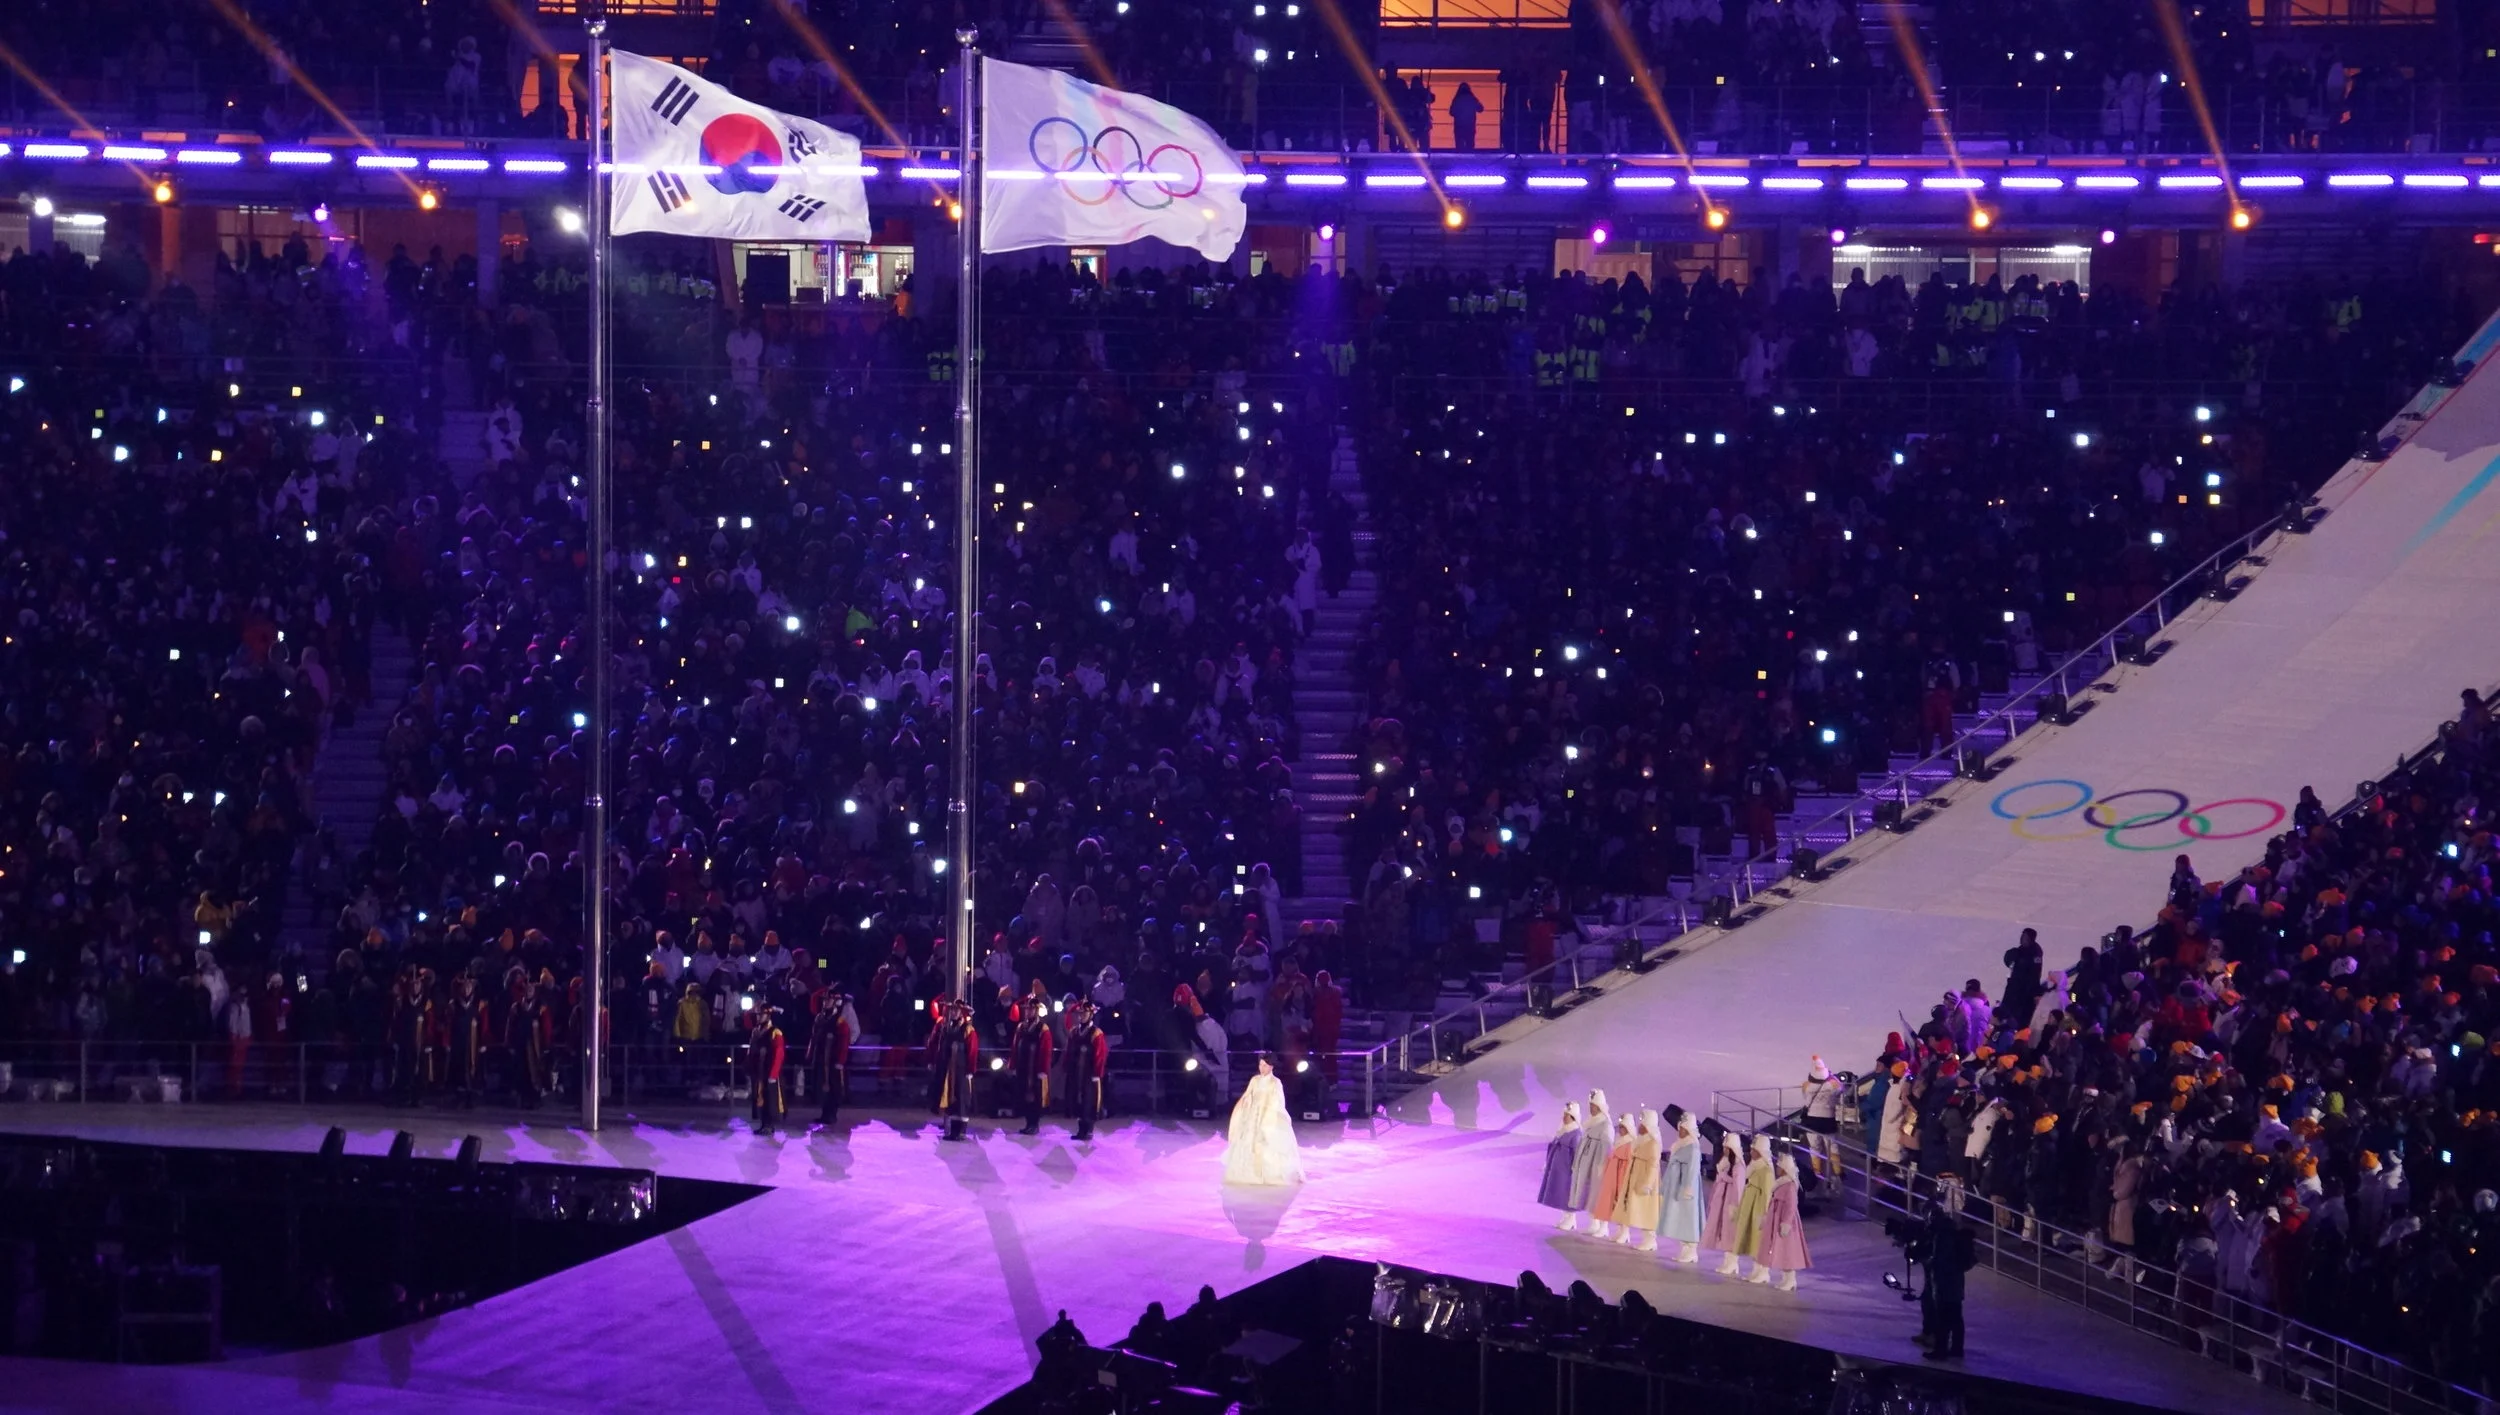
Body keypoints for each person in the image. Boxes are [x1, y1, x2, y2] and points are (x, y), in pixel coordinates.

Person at [1221, 1055, 1303, 1186]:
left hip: (1268, 1114)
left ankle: (1269, 1173)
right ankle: (1250, 1172)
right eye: (1260, 1065)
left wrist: (1268, 1113)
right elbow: (1247, 1095)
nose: (1261, 1068)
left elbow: (1278, 1101)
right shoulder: (1255, 1080)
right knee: (1249, 1142)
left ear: (1271, 1066)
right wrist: (1245, 1104)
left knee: (1267, 1141)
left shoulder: (1275, 1082)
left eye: (1264, 1065)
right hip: (1253, 1114)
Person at [1910, 1197, 1976, 1359]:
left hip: (1944, 1282)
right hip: (1955, 1282)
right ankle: (1956, 1349)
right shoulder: (1951, 1232)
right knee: (1955, 1317)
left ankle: (1941, 1350)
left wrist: (1924, 1259)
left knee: (1943, 1318)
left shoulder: (1942, 1235)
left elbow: (1939, 1259)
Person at [930, 997, 979, 1141]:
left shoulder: (968, 1029)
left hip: (962, 1070)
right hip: (949, 1069)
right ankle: (953, 1130)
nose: (953, 1012)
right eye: (951, 1010)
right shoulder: (946, 1027)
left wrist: (971, 1070)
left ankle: (961, 1131)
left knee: (961, 1098)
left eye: (956, 1010)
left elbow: (972, 1051)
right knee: (951, 1098)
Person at [805, 983, 855, 1127]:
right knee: (821, 1086)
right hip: (821, 1058)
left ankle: (831, 1114)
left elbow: (844, 1043)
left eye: (828, 1000)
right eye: (824, 1000)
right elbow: (814, 1037)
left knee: (834, 1088)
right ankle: (824, 1113)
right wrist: (810, 1053)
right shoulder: (820, 1018)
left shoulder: (840, 1022)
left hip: (833, 1061)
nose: (825, 1002)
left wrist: (840, 1061)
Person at [1062, 998, 1111, 1140]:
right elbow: (1069, 1050)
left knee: (1089, 1101)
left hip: (1089, 1074)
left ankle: (1088, 1129)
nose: (1081, 1016)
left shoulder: (1096, 1033)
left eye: (1084, 1013)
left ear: (1091, 1015)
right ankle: (1080, 1130)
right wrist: (1067, 1066)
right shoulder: (1074, 1032)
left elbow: (1100, 1054)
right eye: (1080, 1013)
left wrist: (1097, 1072)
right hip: (1076, 1072)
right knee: (1077, 1100)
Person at [1010, 989, 1056, 1136]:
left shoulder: (1043, 1029)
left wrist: (1043, 1070)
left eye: (1030, 1009)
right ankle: (1028, 1123)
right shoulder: (1021, 1027)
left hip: (1036, 1068)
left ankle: (1034, 1124)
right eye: (1026, 1009)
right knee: (1024, 1095)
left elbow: (1046, 1050)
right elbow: (1015, 1047)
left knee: (1035, 1097)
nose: (1027, 1012)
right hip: (1023, 1066)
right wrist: (1013, 1065)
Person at [748, 1004, 787, 1137]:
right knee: (760, 1098)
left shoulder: (775, 1032)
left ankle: (769, 1125)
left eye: (761, 1014)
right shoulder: (756, 1031)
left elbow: (779, 1054)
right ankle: (764, 1124)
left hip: (769, 1072)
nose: (758, 1017)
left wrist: (773, 1074)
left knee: (770, 1100)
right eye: (757, 1014)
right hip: (759, 1071)